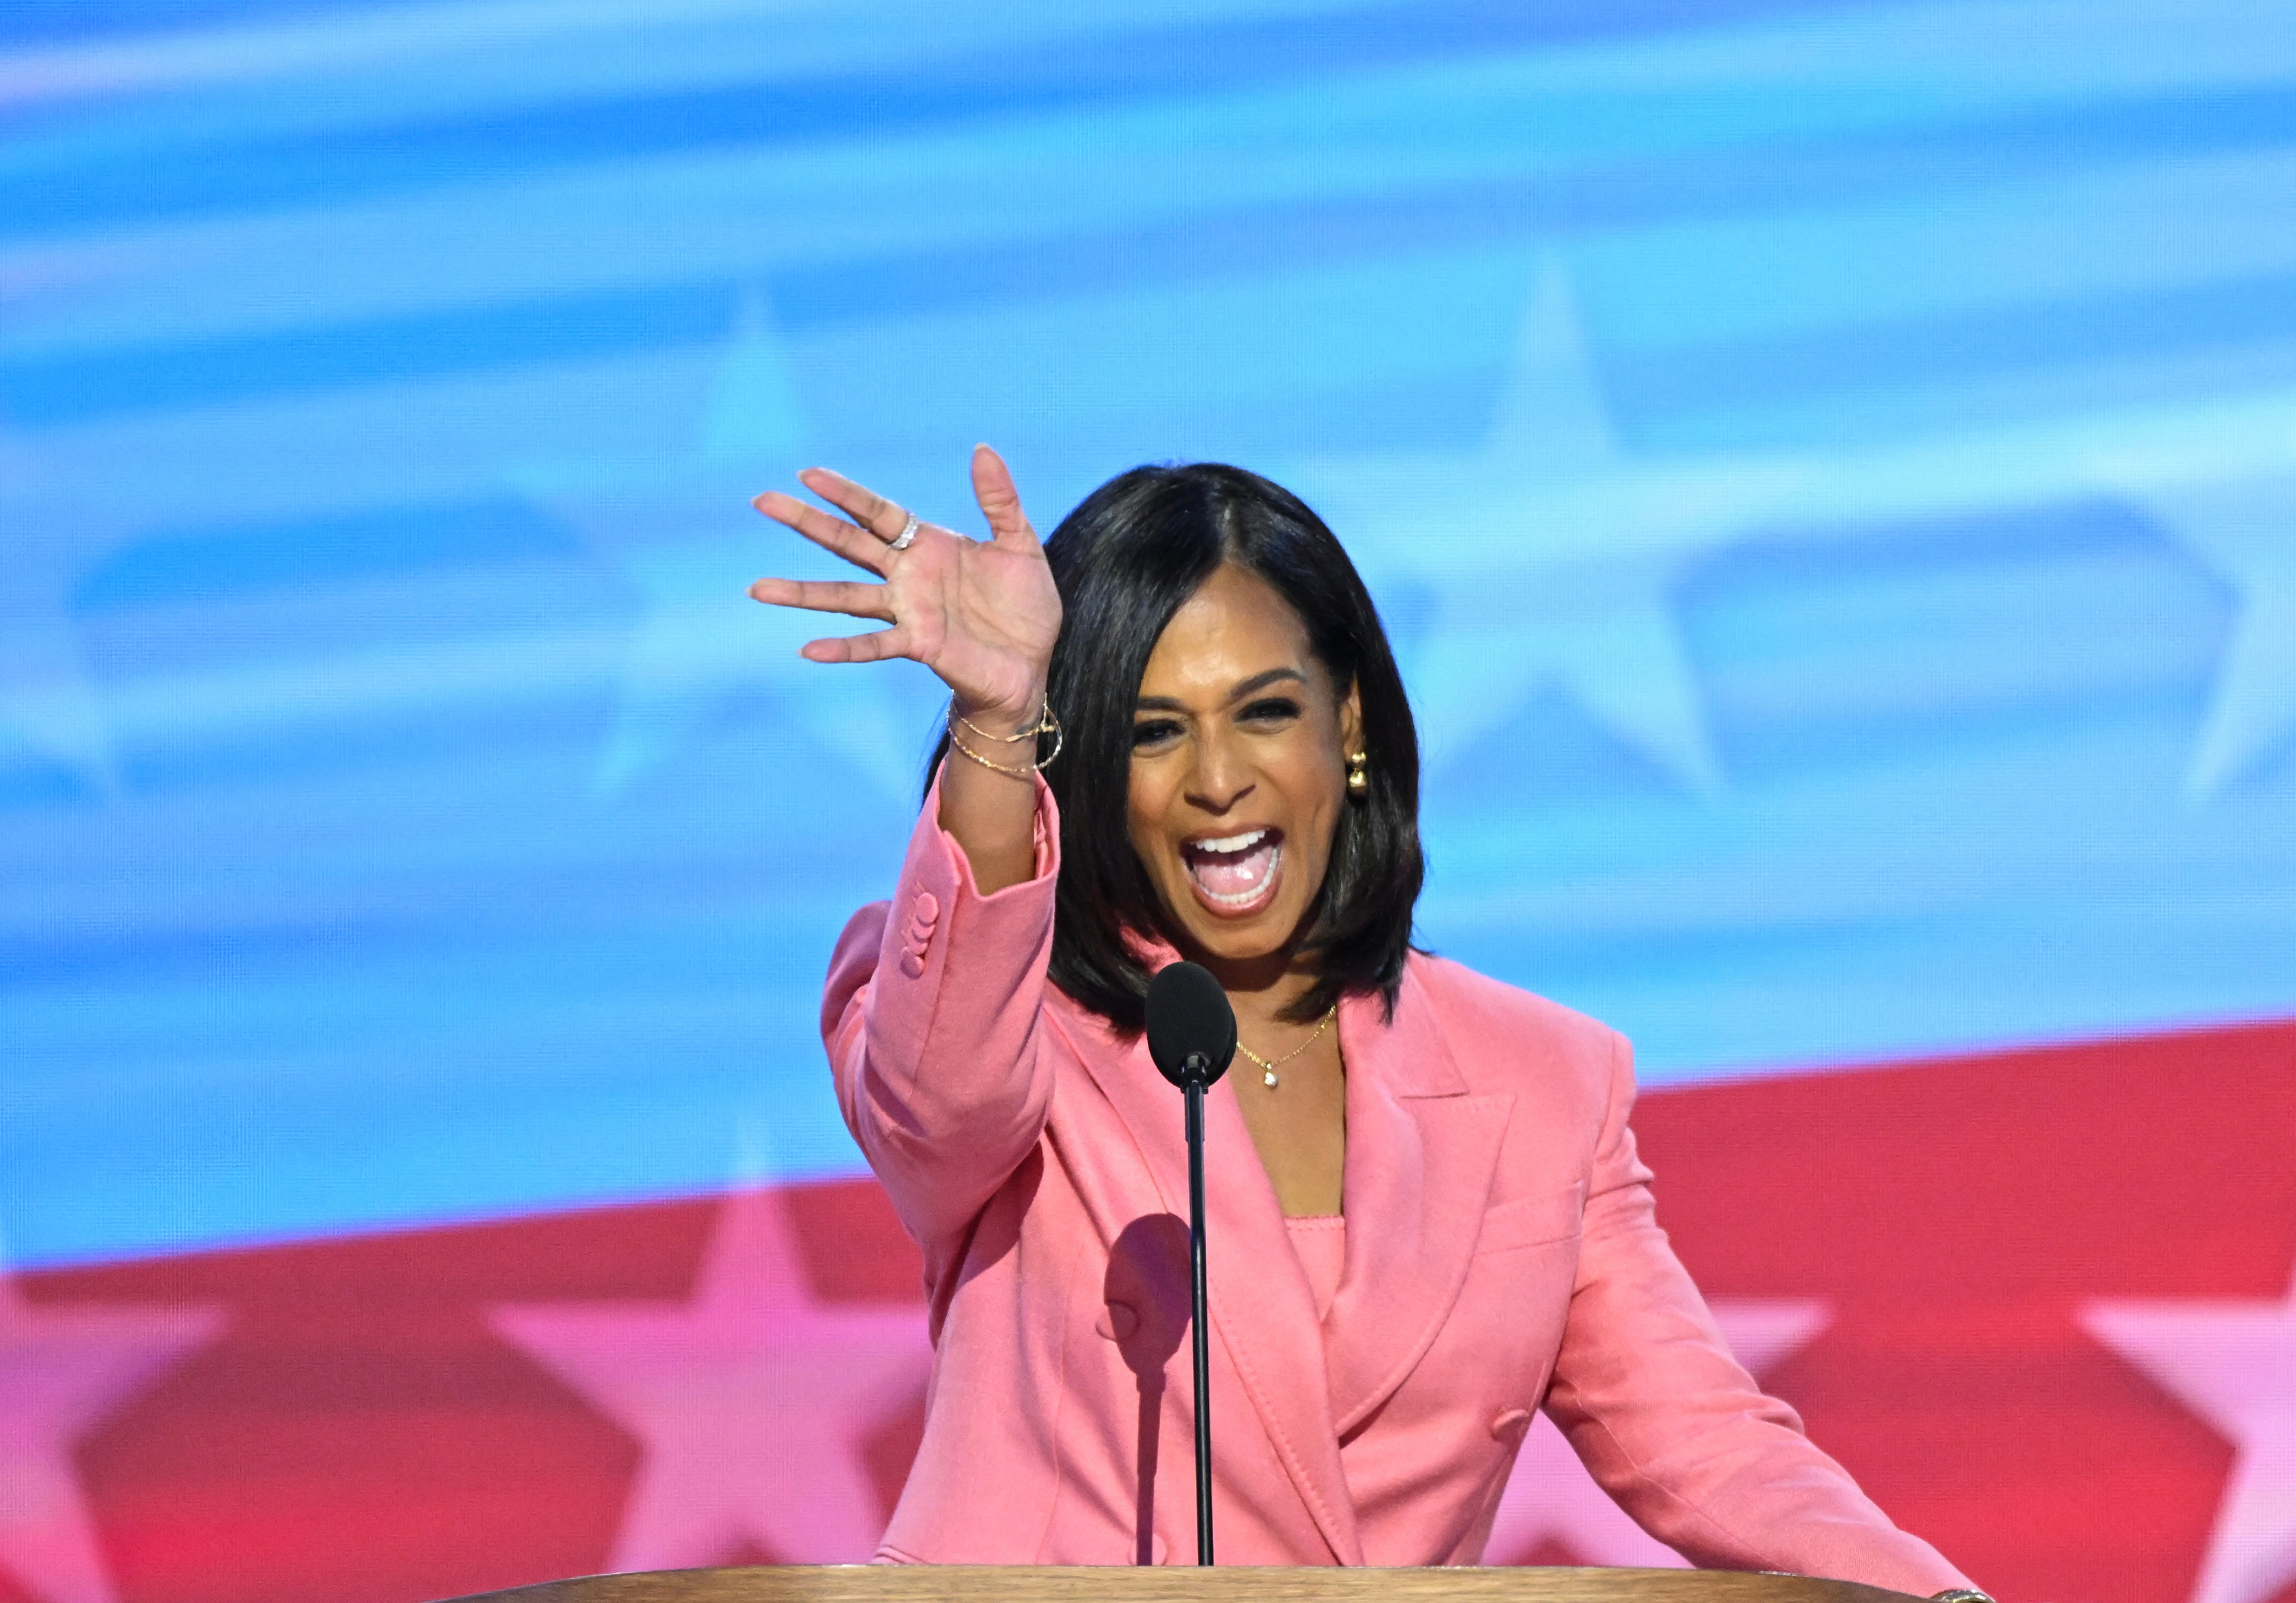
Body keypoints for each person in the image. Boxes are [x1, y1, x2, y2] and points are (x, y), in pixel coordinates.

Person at [753, 448, 1986, 1596]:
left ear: (1347, 724)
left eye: (1266, 711)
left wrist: (1930, 1595)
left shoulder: (1543, 1080)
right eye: (1154, 729)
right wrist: (995, 723)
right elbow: (940, 1095)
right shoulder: (1014, 1030)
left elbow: (1703, 1445)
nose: (1218, 778)